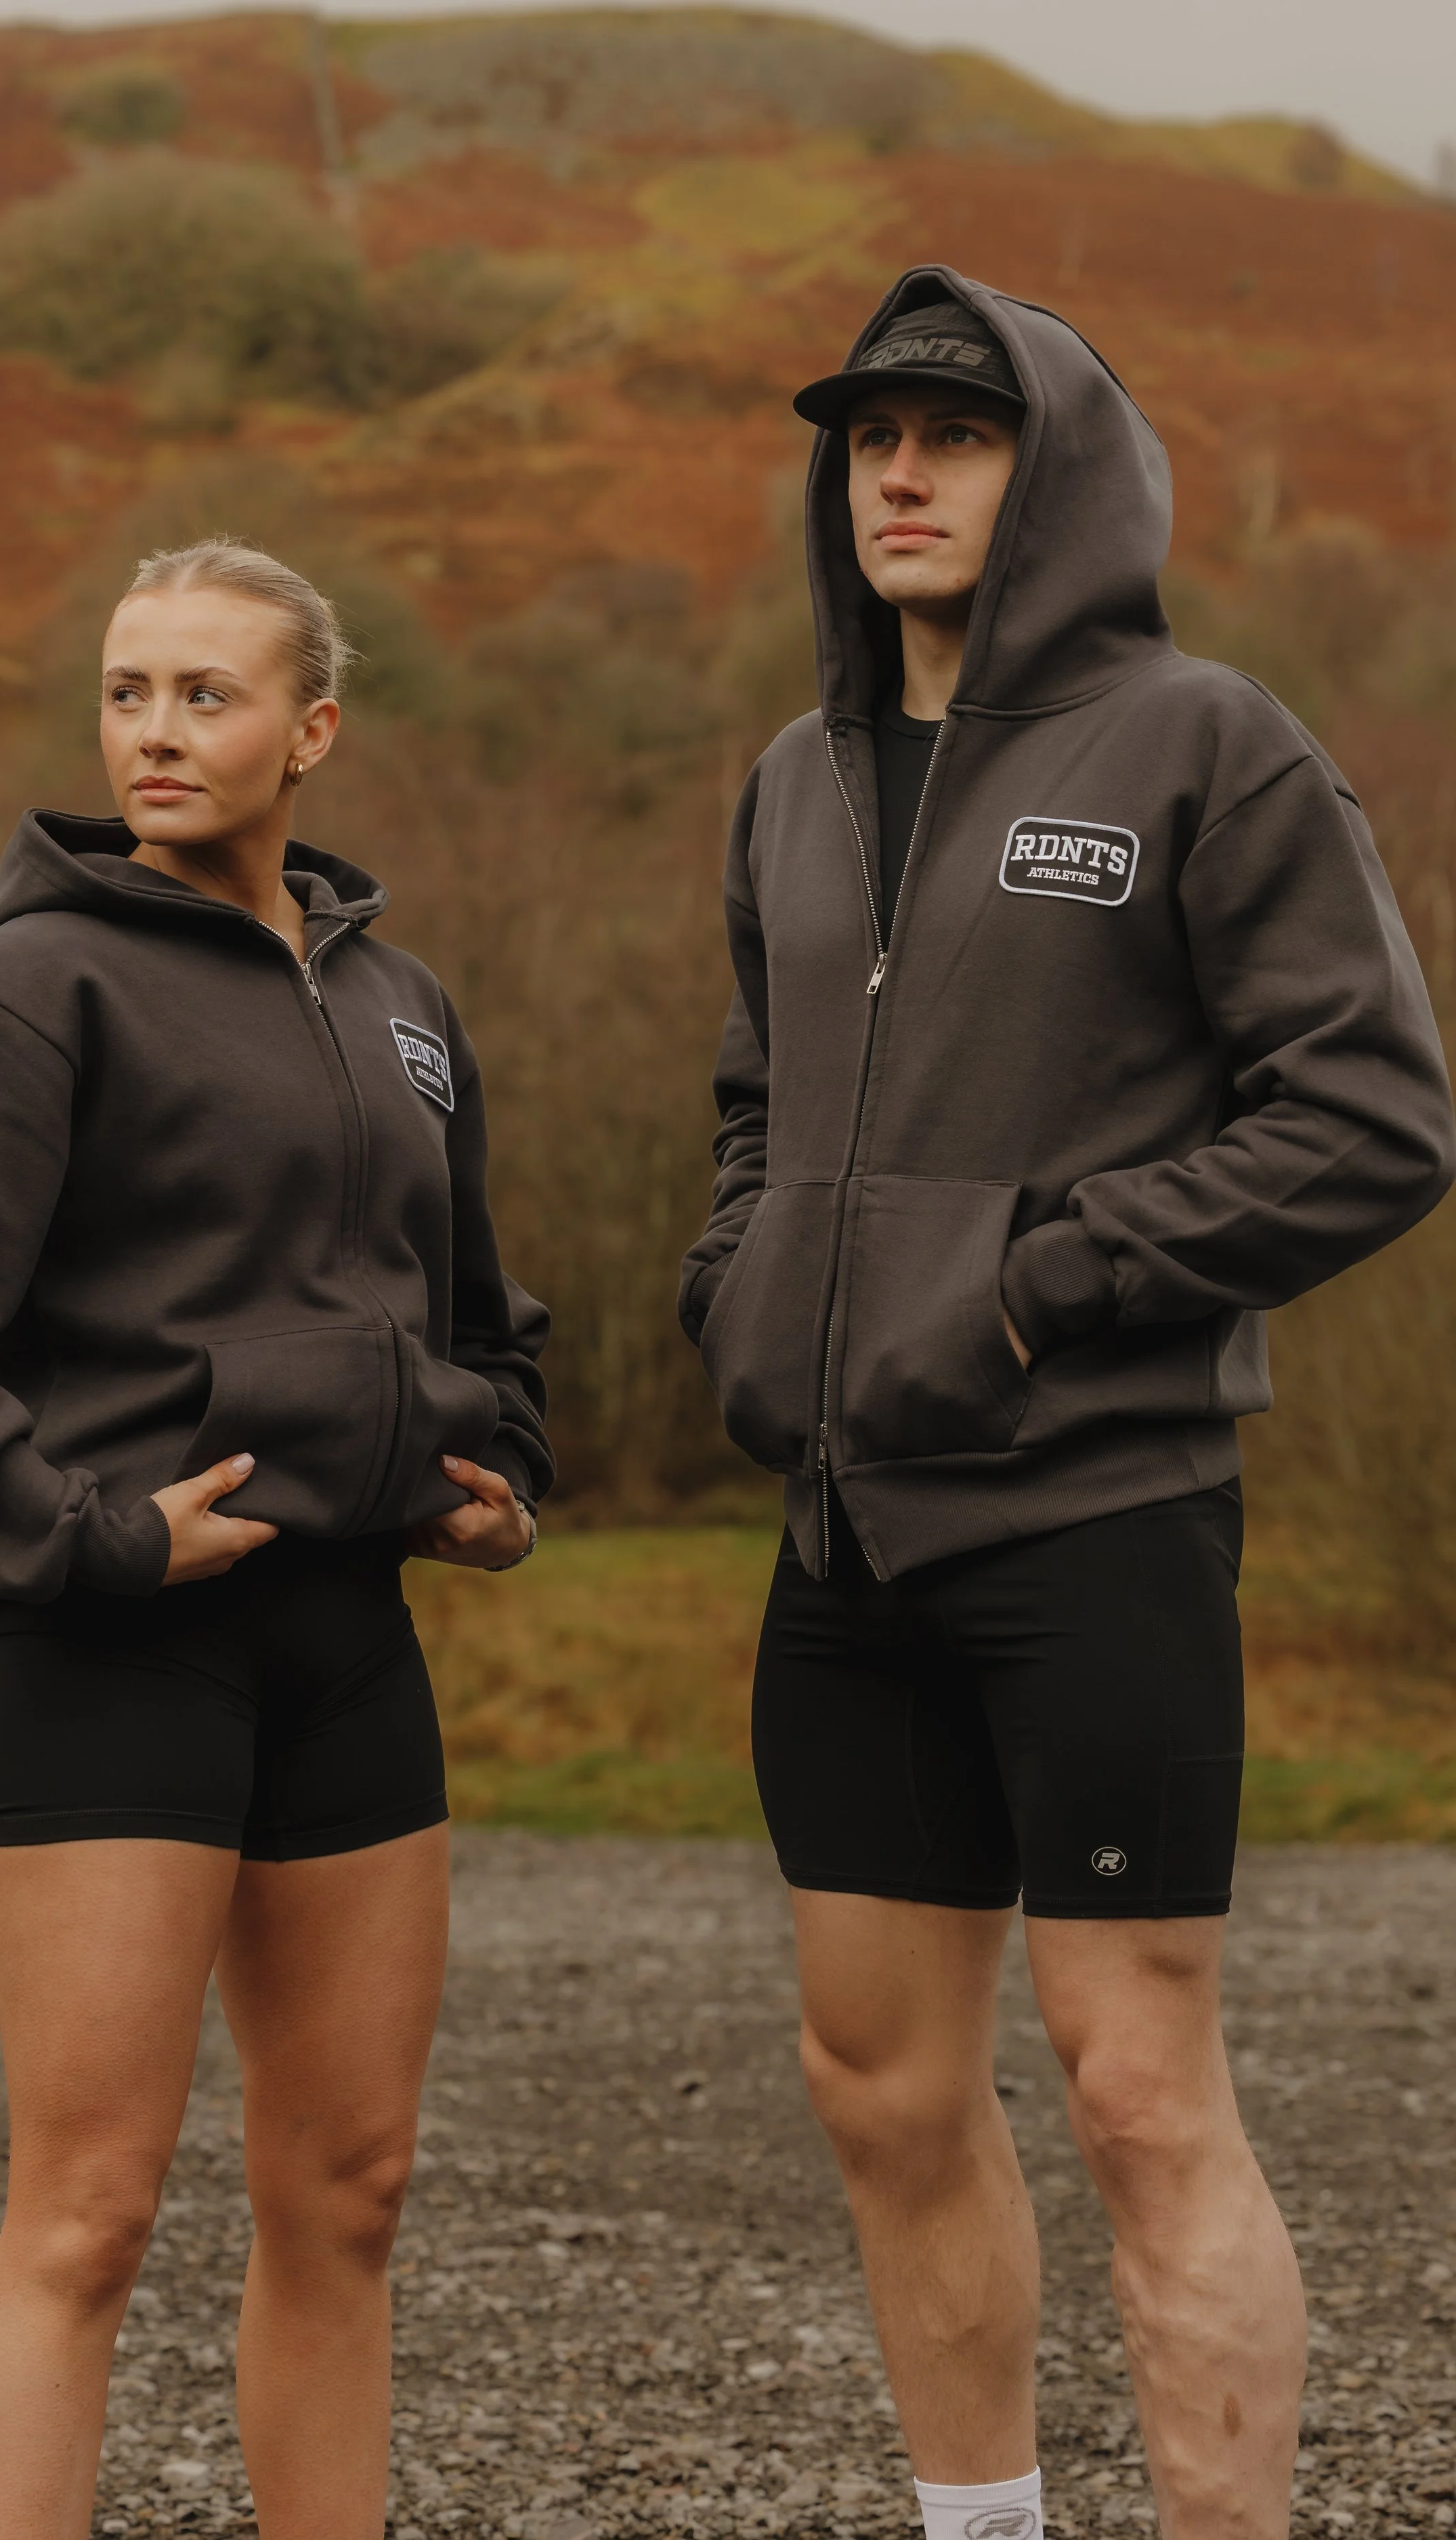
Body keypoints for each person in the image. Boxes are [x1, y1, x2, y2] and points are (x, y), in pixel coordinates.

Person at [679, 268, 1454, 2540]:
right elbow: (751, 1100)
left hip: (1093, 1515)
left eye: (957, 433)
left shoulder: (1204, 742)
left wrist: (1043, 1286)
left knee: (1135, 2092)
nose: (898, 473)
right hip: (840, 1534)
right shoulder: (788, 781)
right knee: (880, 2085)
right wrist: (746, 1283)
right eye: (866, 438)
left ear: (1063, 473)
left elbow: (1375, 1112)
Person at [0, 538, 550, 2540]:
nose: (156, 730)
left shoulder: (402, 1002)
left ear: (313, 730)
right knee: (91, 2213)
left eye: (205, 693)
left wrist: (491, 1465)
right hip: (111, 1645)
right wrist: (84, 1529)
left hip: (348, 1649)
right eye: (129, 690)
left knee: (350, 2190)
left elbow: (470, 1303)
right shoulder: (35, 984)